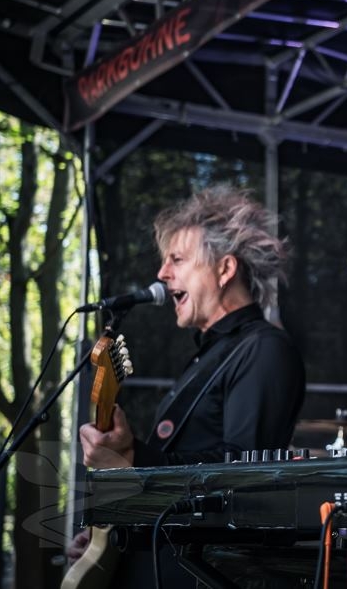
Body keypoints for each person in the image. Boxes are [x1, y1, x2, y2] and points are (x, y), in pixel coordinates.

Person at [69, 186, 305, 579]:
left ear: (224, 270)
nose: (162, 274)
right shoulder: (207, 355)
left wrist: (132, 457)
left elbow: (242, 475)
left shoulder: (264, 349)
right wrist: (115, 534)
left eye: (177, 259)